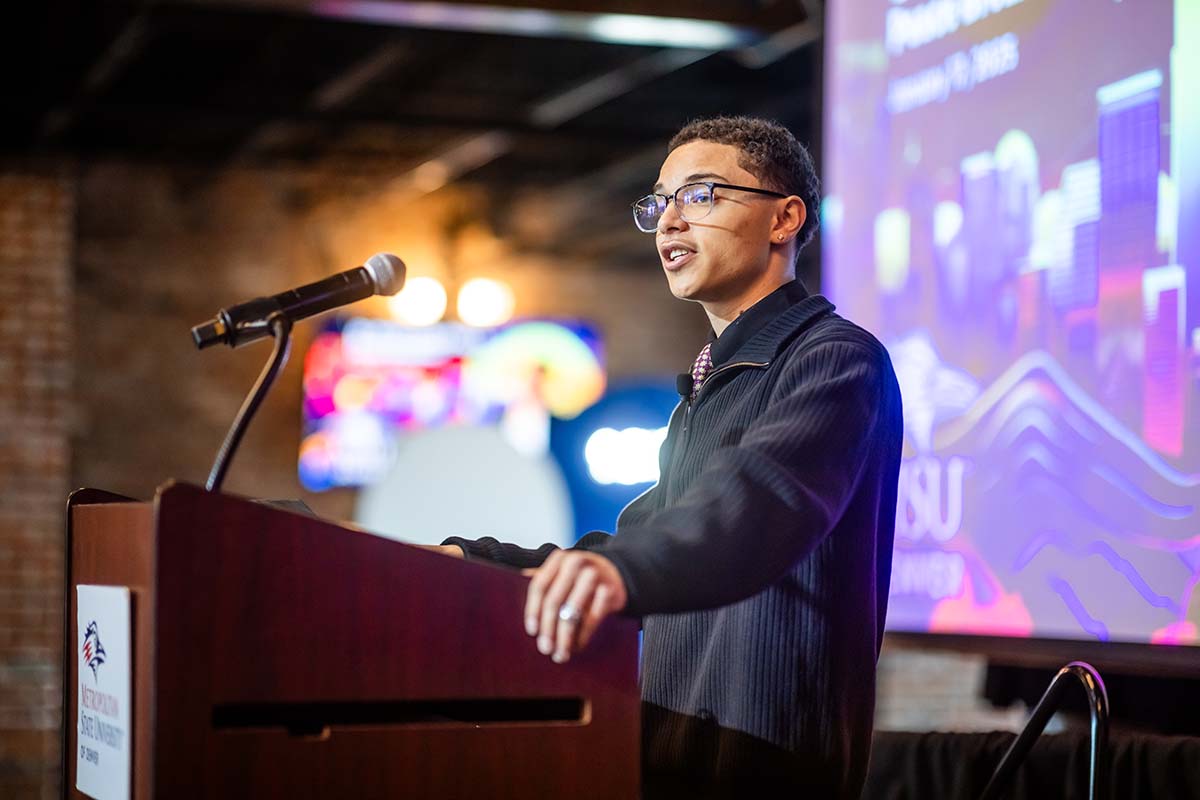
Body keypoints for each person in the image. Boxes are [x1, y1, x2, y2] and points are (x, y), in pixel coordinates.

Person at [436, 116, 903, 798]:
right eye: (660, 203)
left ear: (785, 219)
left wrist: (616, 569)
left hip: (765, 765)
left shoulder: (836, 358)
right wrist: (475, 566)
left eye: (701, 196)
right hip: (668, 753)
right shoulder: (708, 388)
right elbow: (638, 544)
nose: (669, 224)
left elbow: (753, 507)